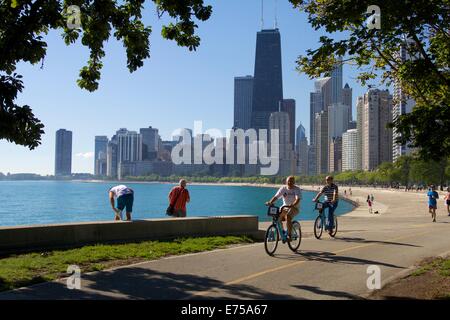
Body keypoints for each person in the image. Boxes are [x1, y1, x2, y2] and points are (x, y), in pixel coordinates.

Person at [265, 176, 302, 242]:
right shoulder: (283, 188)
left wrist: (293, 204)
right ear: (286, 182)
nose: (290, 182)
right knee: (276, 217)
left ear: (294, 182)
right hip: (284, 207)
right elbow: (276, 197)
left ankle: (289, 235)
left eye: (291, 181)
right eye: (288, 181)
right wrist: (270, 202)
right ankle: (282, 232)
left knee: (288, 217)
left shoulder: (297, 189)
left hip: (294, 207)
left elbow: (297, 199)